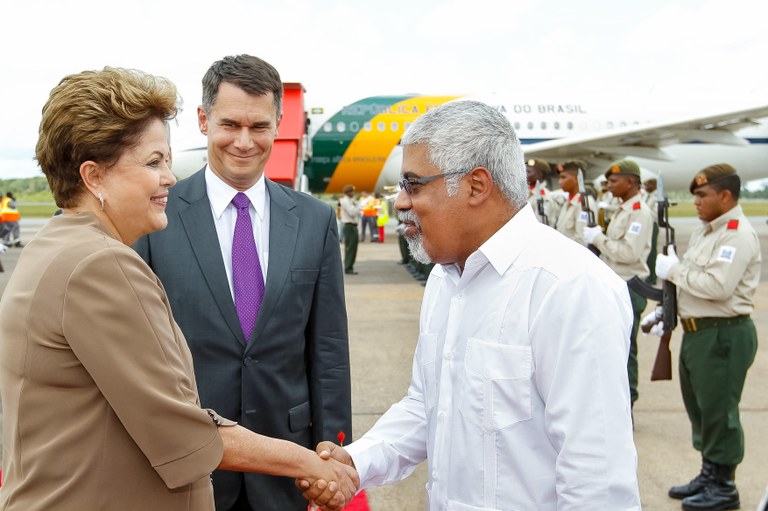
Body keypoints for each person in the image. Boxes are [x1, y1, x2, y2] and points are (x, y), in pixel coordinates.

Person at [0, 66, 355, 511]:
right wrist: (311, 464)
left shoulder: (53, 245)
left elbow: (327, 348)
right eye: (153, 162)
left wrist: (331, 441)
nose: (169, 177)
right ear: (94, 177)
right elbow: (180, 431)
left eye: (166, 160)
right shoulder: (100, 262)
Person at [300, 100, 641, 509]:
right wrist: (357, 462)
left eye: (413, 185)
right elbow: (428, 406)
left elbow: (597, 481)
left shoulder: (569, 287)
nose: (401, 202)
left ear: (476, 186)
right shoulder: (446, 279)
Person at [132, 55, 353, 511]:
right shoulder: (155, 216)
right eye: (230, 124)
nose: (244, 141)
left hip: (289, 466)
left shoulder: (314, 220)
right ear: (203, 120)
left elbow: (328, 349)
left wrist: (333, 450)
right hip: (188, 465)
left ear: (278, 125)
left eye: (259, 126)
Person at [647, 164, 759, 511]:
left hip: (723, 335)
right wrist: (665, 310)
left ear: (725, 196)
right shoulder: (705, 232)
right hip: (698, 333)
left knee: (719, 414)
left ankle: (724, 487)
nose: (695, 201)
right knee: (702, 411)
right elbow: (692, 281)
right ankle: (709, 473)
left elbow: (717, 287)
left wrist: (674, 270)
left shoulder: (736, 235)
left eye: (702, 195)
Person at [583, 160, 653, 408]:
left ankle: (628, 404)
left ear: (631, 182)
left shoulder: (639, 212)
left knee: (626, 351)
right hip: (616, 287)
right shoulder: (623, 209)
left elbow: (628, 254)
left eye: (614, 181)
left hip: (630, 288)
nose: (609, 185)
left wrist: (599, 239)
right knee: (613, 348)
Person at [554, 160, 597, 246]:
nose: (559, 181)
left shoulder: (584, 203)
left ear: (577, 179)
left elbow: (581, 240)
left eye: (563, 177)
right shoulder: (568, 201)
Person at [525, 158, 560, 226]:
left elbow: (539, 223)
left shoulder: (543, 197)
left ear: (540, 175)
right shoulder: (528, 192)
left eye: (528, 172)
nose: (525, 175)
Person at [338, 184, 361, 275]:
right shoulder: (345, 201)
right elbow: (352, 212)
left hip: (352, 226)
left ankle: (350, 266)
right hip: (349, 226)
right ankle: (348, 267)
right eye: (352, 191)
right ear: (348, 192)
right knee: (350, 248)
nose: (353, 193)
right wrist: (360, 206)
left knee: (353, 247)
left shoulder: (350, 200)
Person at [644, 178, 660, 284]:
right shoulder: (647, 195)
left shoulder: (657, 197)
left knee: (651, 252)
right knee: (646, 251)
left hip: (652, 226)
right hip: (646, 225)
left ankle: (652, 277)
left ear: (653, 185)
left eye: (648, 185)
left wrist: (643, 211)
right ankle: (648, 274)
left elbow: (656, 214)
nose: (646, 187)